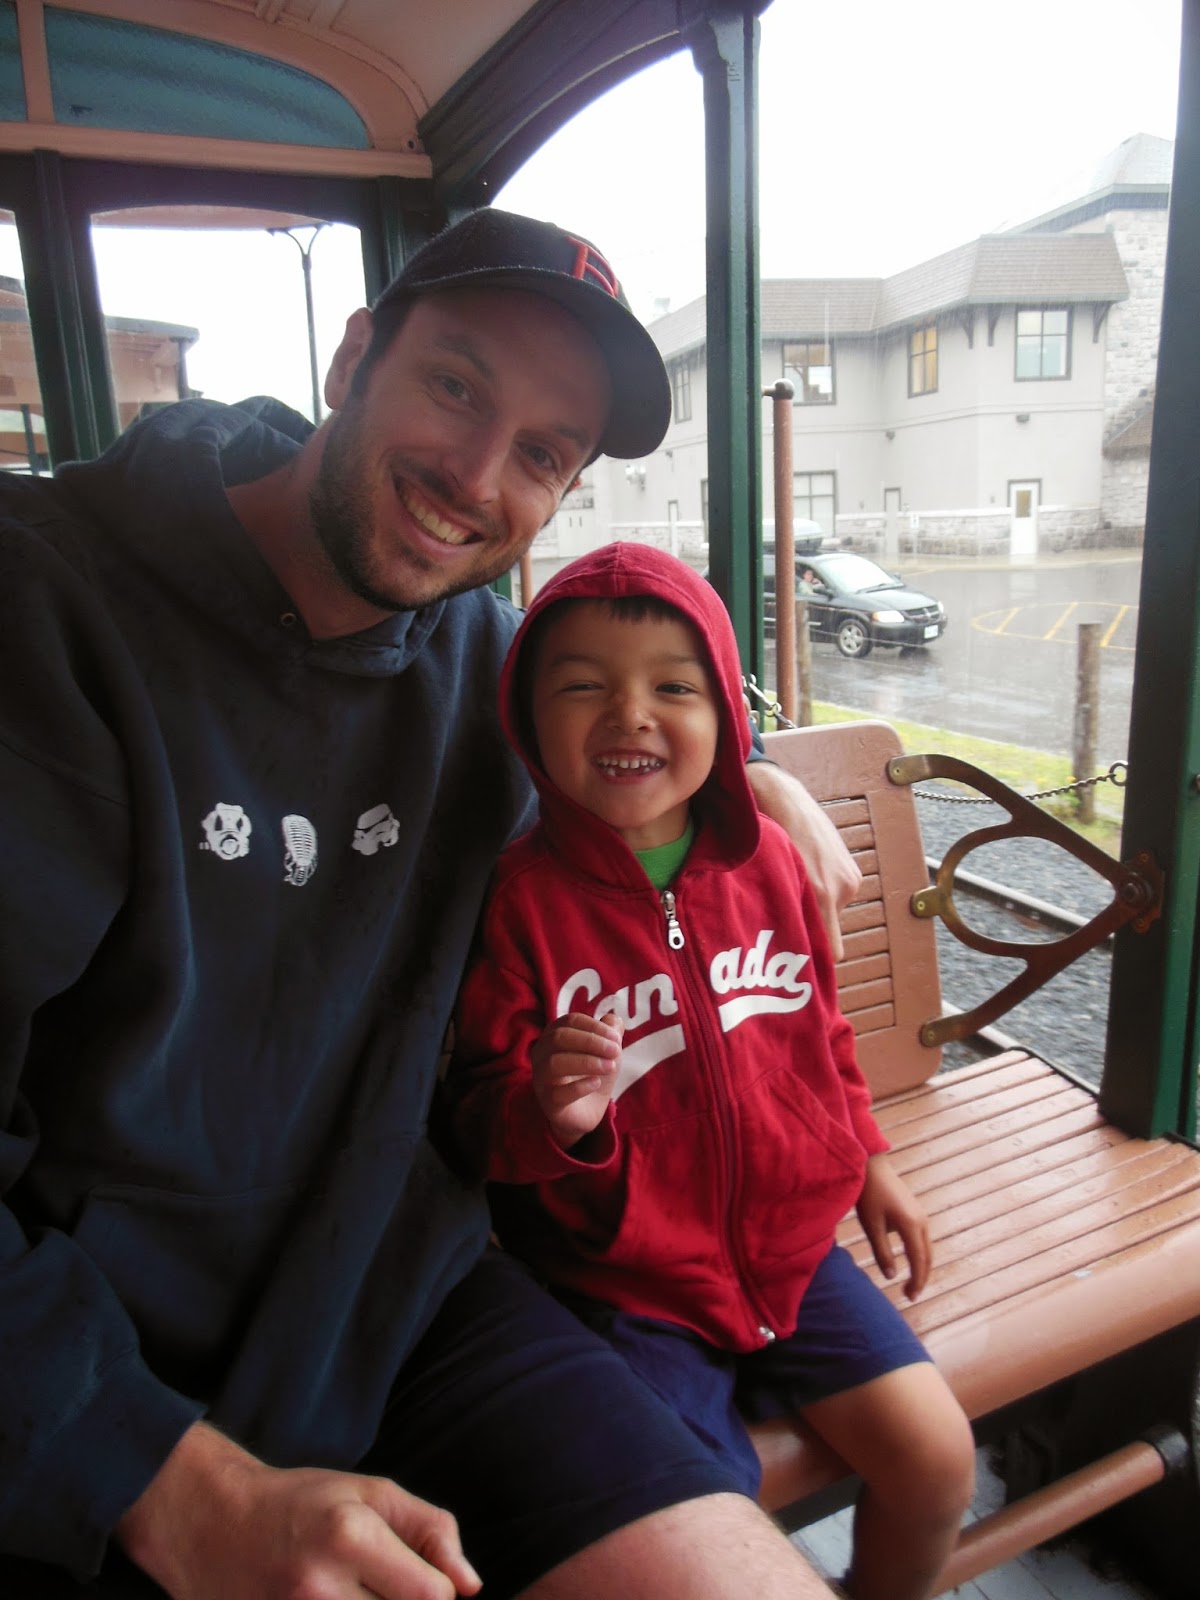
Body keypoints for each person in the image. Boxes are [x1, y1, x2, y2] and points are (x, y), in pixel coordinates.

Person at [0, 207, 854, 1600]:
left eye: (544, 454)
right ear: (354, 359)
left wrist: (754, 774)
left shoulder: (483, 670)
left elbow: (634, 718)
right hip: (93, 1368)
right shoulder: (45, 611)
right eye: (456, 385)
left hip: (402, 1296)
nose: (476, 474)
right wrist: (174, 1487)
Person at [451, 542, 977, 1600]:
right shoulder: (519, 905)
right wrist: (549, 1114)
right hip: (626, 1282)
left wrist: (870, 1159)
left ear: (728, 715)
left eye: (673, 688)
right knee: (706, 1520)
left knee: (936, 1459)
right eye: (583, 687)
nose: (630, 715)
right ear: (527, 719)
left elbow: (820, 1029)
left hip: (794, 1251)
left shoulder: (771, 861)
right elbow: (477, 1123)